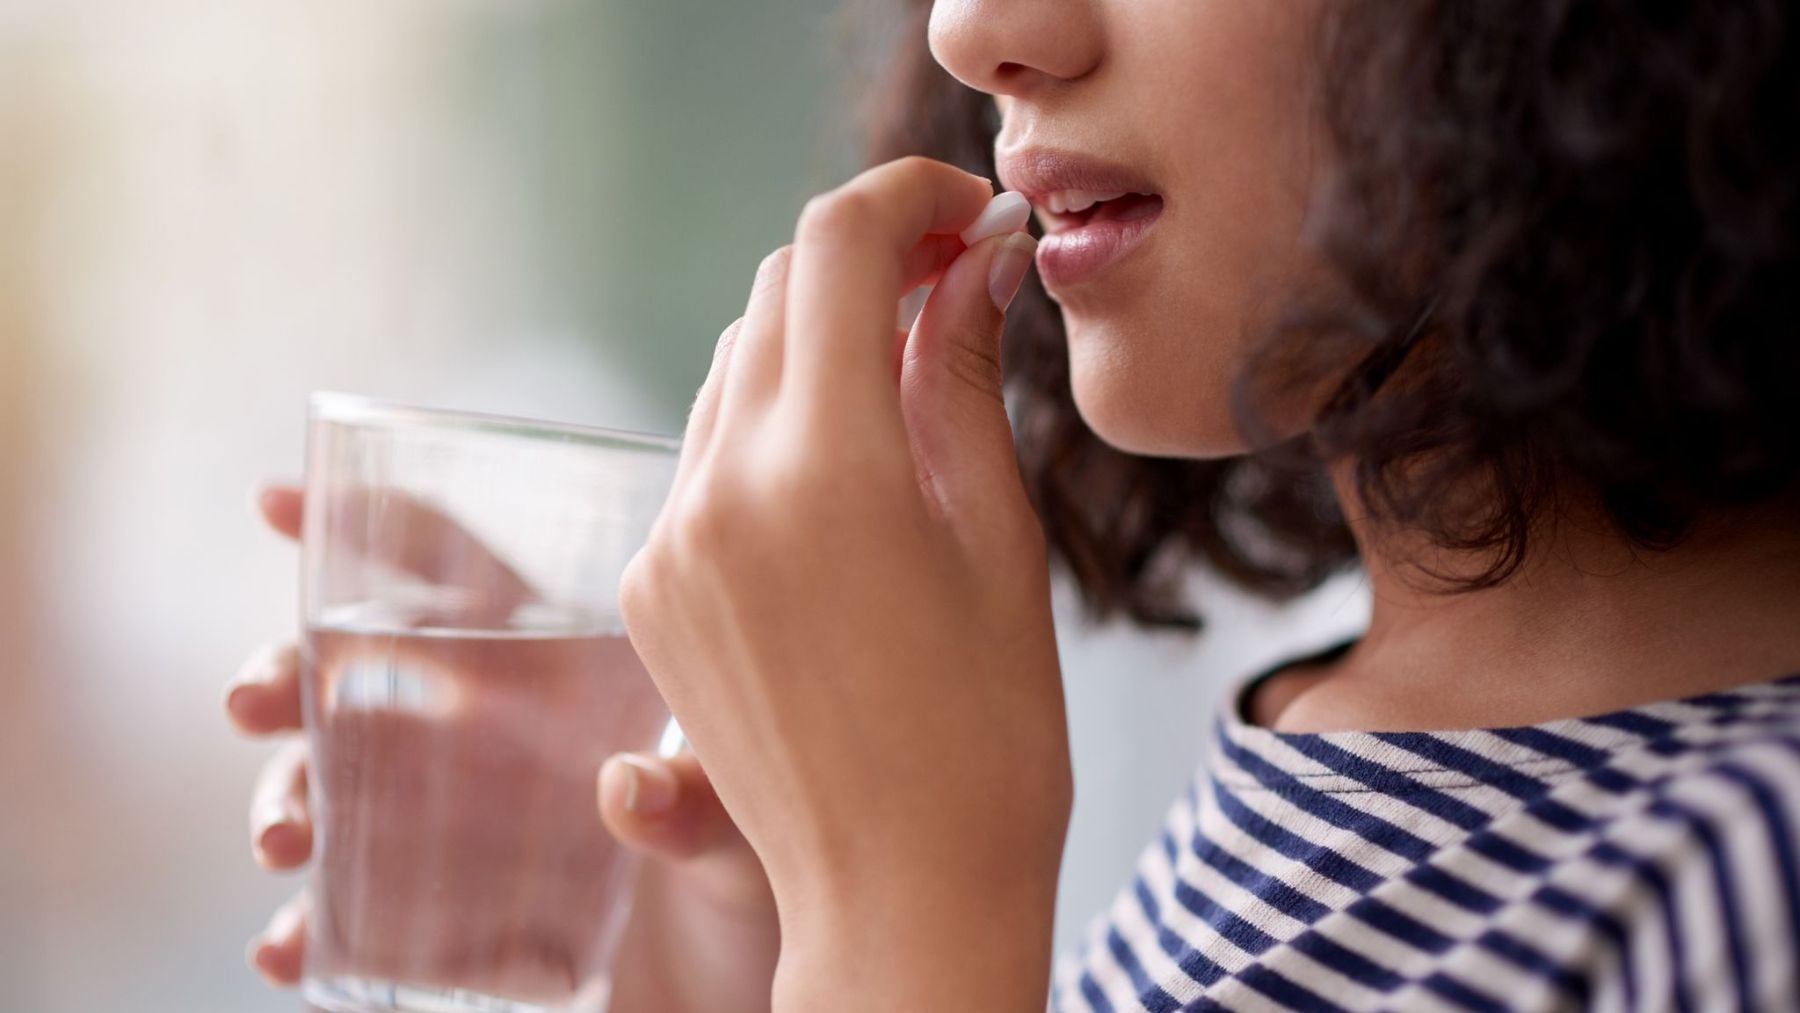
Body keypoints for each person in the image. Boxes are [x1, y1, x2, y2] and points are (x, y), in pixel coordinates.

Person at [225, 1, 1800, 1009]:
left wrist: (903, 916)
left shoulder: (1747, 889)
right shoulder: (1330, 759)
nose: (975, 29)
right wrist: (759, 942)